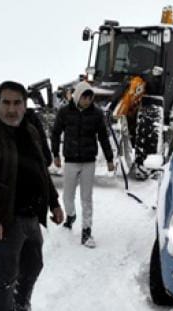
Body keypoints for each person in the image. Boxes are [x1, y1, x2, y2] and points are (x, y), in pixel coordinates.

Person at [0, 81, 64, 311]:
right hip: (5, 220)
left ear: (25, 105)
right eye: (6, 103)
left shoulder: (30, 131)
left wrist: (53, 203)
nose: (11, 109)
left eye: (17, 103)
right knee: (5, 276)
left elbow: (41, 170)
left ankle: (21, 304)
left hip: (31, 216)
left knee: (33, 266)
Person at [51, 81, 115, 247]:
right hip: (71, 160)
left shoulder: (96, 114)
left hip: (88, 161)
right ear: (77, 96)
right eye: (84, 97)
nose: (87, 101)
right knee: (67, 196)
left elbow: (103, 137)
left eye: (90, 98)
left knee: (86, 198)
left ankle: (86, 231)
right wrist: (55, 154)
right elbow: (56, 133)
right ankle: (71, 215)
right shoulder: (65, 112)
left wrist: (109, 159)